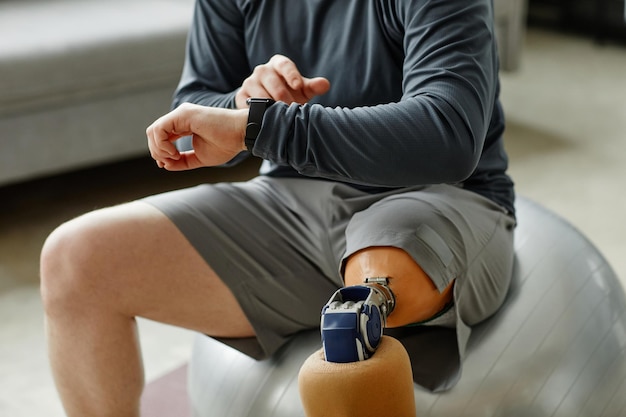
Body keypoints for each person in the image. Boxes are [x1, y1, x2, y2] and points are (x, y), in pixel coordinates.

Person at [40, 0, 516, 415]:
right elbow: (192, 109)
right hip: (290, 199)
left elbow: (448, 132)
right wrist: (243, 103)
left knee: (361, 306)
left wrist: (267, 127)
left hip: (437, 194)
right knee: (73, 258)